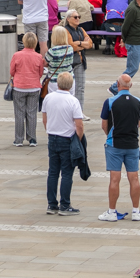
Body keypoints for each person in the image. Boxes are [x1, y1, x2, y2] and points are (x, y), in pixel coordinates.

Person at [99, 74, 140, 221]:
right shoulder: (139, 102)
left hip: (115, 144)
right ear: (130, 85)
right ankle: (136, 211)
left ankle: (112, 212)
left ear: (117, 84)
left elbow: (104, 124)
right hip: (132, 144)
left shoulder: (110, 102)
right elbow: (138, 124)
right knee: (134, 178)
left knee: (115, 179)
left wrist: (109, 136)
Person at [41, 71, 84, 217]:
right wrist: (78, 139)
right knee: (66, 173)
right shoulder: (73, 101)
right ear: (71, 85)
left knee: (53, 172)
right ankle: (65, 205)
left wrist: (50, 131)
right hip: (67, 139)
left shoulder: (48, 98)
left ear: (58, 83)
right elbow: (79, 125)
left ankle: (52, 204)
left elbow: (45, 119)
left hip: (52, 137)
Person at [9, 31, 45, 147]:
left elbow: (12, 71)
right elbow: (40, 73)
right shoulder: (38, 57)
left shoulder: (17, 55)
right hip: (34, 88)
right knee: (31, 113)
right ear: (35, 43)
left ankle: (19, 139)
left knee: (19, 113)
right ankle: (32, 138)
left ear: (23, 42)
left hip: (19, 87)